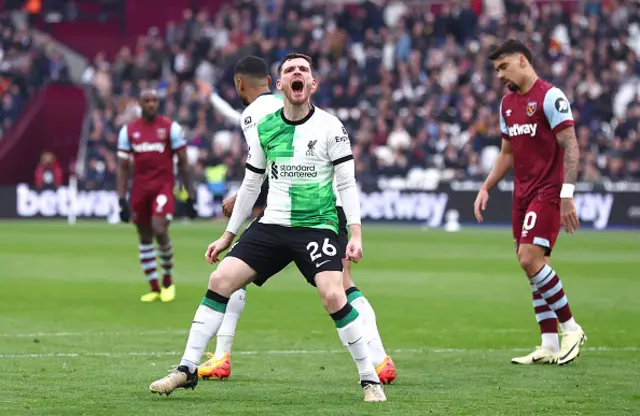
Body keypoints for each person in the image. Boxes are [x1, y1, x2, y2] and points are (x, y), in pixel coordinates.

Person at [148, 53, 387, 402]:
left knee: (334, 295)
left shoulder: (331, 127)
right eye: (290, 70)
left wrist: (356, 233)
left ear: (312, 83)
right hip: (273, 224)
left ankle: (370, 379)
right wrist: (228, 235)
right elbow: (249, 184)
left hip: (317, 226)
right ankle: (186, 369)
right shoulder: (266, 127)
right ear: (280, 85)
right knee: (219, 280)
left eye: (303, 70)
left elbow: (347, 183)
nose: (297, 74)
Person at [474, 39, 586, 365]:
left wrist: (567, 196)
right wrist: (487, 187)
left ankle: (571, 328)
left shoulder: (551, 97)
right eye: (495, 70)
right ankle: (549, 344)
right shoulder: (507, 104)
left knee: (528, 259)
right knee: (534, 268)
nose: (499, 75)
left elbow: (572, 147)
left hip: (548, 191)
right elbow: (507, 153)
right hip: (521, 195)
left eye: (503, 66)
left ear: (522, 61)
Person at [116, 89, 197, 303]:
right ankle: (154, 287)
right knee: (144, 237)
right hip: (140, 190)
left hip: (163, 187)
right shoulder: (129, 131)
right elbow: (123, 167)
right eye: (147, 101)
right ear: (140, 104)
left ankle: (168, 280)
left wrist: (190, 193)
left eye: (154, 101)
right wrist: (121, 198)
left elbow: (183, 162)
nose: (151, 104)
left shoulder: (171, 128)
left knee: (159, 229)